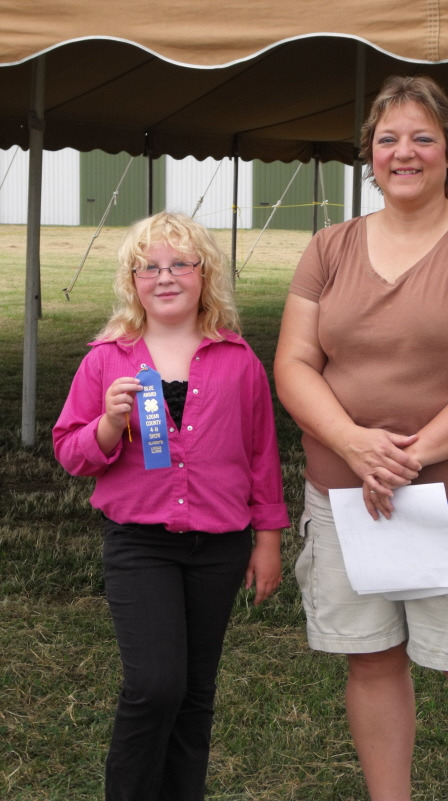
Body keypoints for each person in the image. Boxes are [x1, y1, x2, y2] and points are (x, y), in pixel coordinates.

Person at [274, 75, 448, 801]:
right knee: (371, 662)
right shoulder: (329, 248)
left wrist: (405, 456)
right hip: (347, 499)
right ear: (369, 153)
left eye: (423, 138)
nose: (404, 152)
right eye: (388, 138)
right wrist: (353, 444)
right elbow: (294, 363)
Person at [53, 211, 290, 801]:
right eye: (149, 267)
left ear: (205, 275)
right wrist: (108, 425)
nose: (165, 277)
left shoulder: (238, 360)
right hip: (140, 544)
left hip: (220, 544)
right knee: (154, 686)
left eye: (181, 264)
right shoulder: (106, 359)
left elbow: (261, 454)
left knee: (194, 693)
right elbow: (71, 452)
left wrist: (268, 539)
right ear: (131, 280)